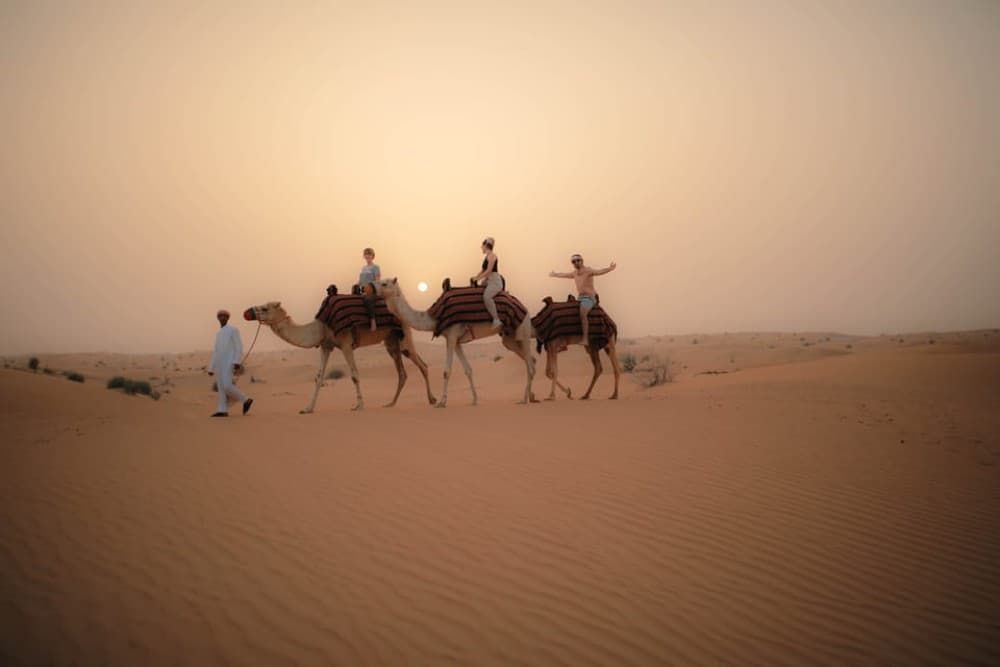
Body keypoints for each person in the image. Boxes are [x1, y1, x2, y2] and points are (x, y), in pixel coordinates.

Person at [549, 254, 617, 344]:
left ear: (582, 261)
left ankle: (585, 339)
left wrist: (609, 268)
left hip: (590, 298)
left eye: (578, 260)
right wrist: (555, 274)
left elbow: (599, 272)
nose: (576, 263)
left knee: (583, 313)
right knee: (569, 312)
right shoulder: (574, 273)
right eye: (574, 261)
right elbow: (564, 275)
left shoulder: (588, 271)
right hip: (580, 298)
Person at [207, 309, 253, 417]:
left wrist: (237, 361)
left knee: (227, 386)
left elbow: (239, 346)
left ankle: (246, 399)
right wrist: (211, 368)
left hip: (229, 363)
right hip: (219, 364)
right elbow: (216, 351)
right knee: (221, 388)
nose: (222, 318)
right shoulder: (218, 333)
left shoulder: (233, 330)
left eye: (224, 316)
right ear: (218, 318)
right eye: (220, 316)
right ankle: (222, 410)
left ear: (228, 318)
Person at [471, 237, 502, 328]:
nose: (481, 248)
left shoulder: (492, 256)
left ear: (486, 246)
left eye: (482, 246)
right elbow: (483, 270)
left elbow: (489, 271)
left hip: (494, 281)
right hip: (488, 281)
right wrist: (476, 277)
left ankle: (496, 319)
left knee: (487, 297)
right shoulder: (487, 257)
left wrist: (478, 278)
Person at [359, 247, 381, 331]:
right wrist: (357, 285)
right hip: (363, 290)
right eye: (366, 254)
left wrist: (369, 290)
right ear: (364, 256)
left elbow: (377, 280)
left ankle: (373, 321)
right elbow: (361, 280)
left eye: (369, 254)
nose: (367, 256)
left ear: (372, 256)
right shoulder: (363, 268)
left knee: (368, 300)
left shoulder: (375, 267)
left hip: (372, 290)